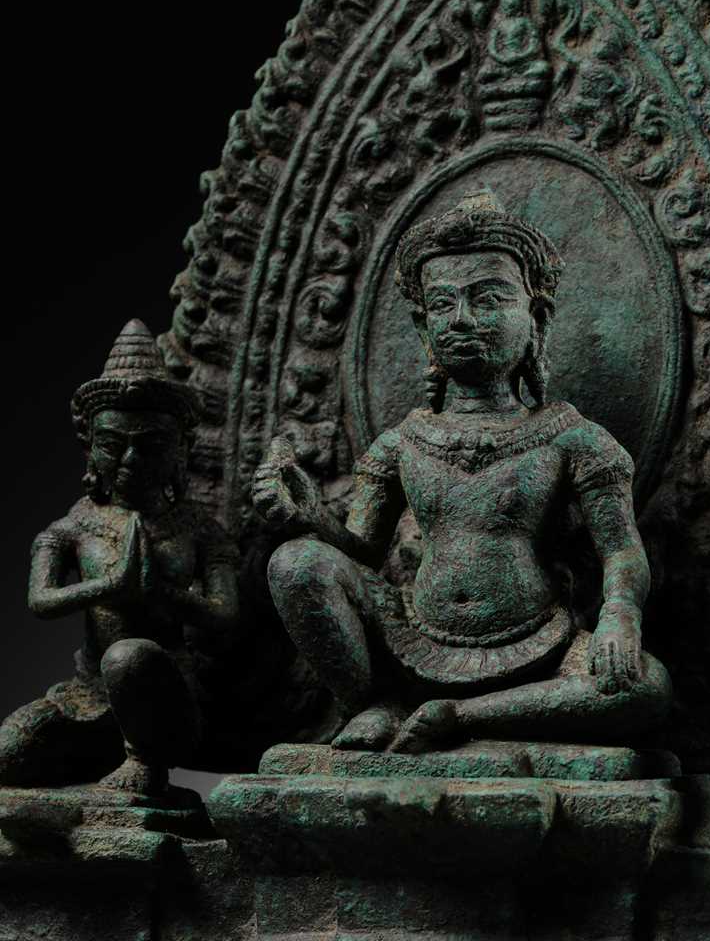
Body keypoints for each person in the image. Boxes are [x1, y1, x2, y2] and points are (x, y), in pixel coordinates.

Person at [255, 190, 671, 753]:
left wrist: (620, 615)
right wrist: (309, 516)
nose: (462, 320)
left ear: (536, 318)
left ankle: (461, 717)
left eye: (488, 298)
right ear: (423, 327)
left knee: (646, 687)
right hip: (412, 637)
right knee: (296, 562)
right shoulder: (402, 443)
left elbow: (620, 550)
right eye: (443, 304)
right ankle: (372, 704)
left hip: (540, 648)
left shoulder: (572, 438)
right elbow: (361, 552)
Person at [0, 320, 239, 795]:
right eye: (114, 444)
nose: (131, 460)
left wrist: (163, 593)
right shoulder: (75, 525)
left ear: (180, 448)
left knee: (129, 656)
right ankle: (92, 773)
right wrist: (110, 587)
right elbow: (41, 600)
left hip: (166, 693)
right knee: (8, 755)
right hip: (88, 693)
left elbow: (225, 614)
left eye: (150, 445)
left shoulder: (196, 528)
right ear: (91, 447)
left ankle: (144, 762)